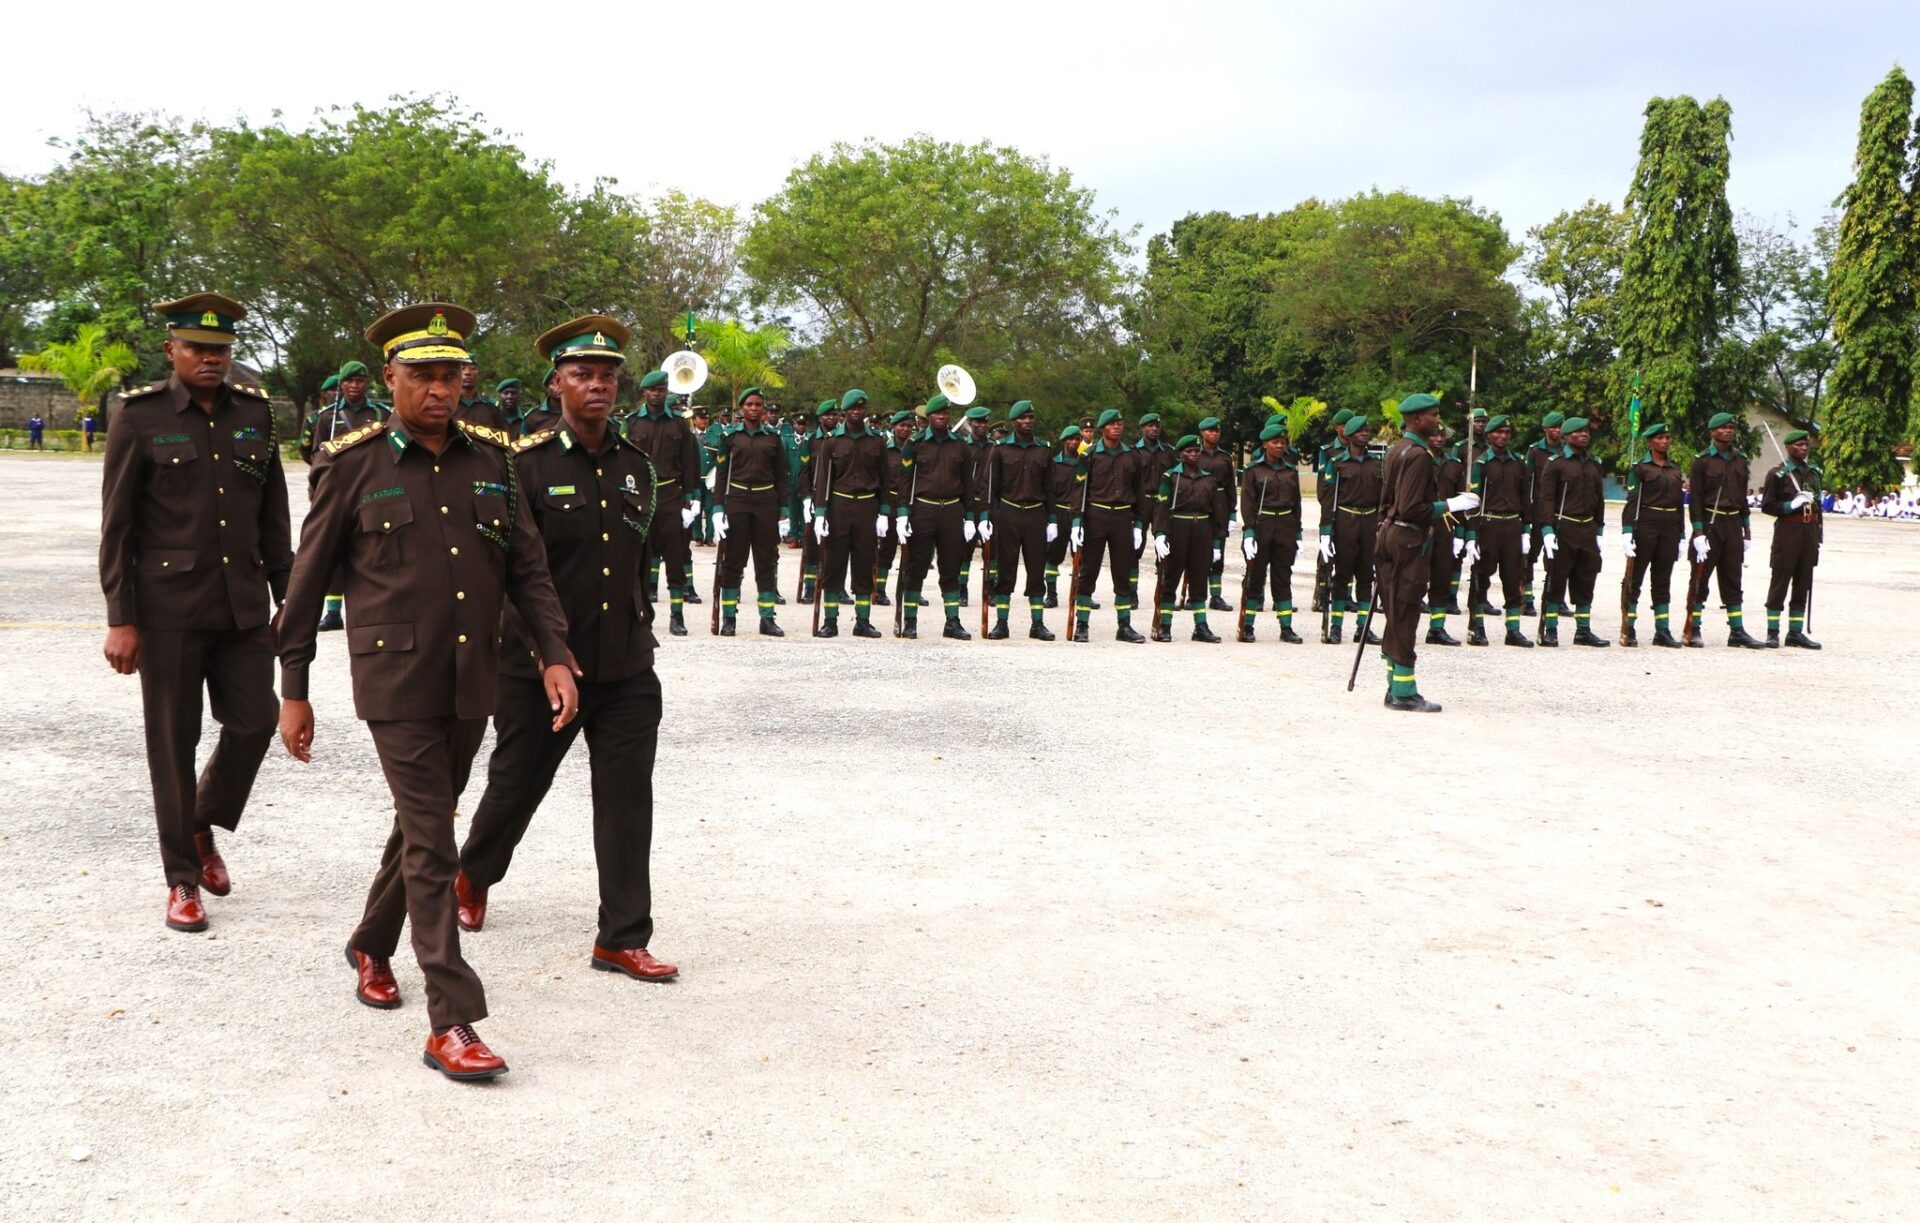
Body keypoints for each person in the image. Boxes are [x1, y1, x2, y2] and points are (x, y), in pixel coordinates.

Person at [276, 301, 577, 1082]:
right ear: (391, 378)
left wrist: (553, 653)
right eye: (423, 375)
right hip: (396, 681)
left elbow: (528, 569)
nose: (439, 389)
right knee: (436, 840)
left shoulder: (493, 460)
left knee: (424, 823)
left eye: (451, 375)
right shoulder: (352, 463)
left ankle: (370, 942)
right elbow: (305, 585)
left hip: (473, 676)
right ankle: (452, 1018)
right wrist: (294, 688)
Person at [454, 313, 677, 984]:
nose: (598, 385)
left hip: (625, 664)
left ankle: (622, 937)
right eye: (583, 374)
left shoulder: (637, 467)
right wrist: (540, 651)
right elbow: (508, 575)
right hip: (538, 666)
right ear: (556, 384)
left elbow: (638, 563)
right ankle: (473, 873)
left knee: (627, 799)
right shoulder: (523, 464)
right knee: (516, 785)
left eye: (607, 375)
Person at [100, 293, 290, 933]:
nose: (210, 358)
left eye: (220, 350)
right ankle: (181, 876)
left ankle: (201, 820)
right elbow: (118, 526)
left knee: (256, 722)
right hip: (168, 611)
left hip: (242, 606)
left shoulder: (256, 415)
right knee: (172, 743)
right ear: (171, 350)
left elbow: (273, 517)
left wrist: (288, 597)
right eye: (197, 348)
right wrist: (121, 617)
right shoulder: (139, 417)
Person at [1374, 393, 1478, 711]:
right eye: (1433, 415)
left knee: (1395, 610)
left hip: (1391, 533)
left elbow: (1387, 501)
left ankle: (1394, 684)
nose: (1437, 420)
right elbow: (1412, 507)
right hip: (1408, 538)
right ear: (1417, 419)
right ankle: (1404, 692)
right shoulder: (1419, 455)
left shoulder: (1397, 450)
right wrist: (1451, 504)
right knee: (1405, 612)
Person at [623, 369, 702, 636]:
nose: (657, 394)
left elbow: (690, 462)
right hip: (640, 496)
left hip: (670, 494)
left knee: (675, 555)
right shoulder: (632, 422)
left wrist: (691, 499)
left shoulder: (679, 424)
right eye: (652, 390)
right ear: (645, 392)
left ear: (666, 391)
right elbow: (622, 461)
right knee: (639, 555)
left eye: (661, 390)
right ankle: (642, 615)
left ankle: (677, 615)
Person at [893, 394, 978, 638]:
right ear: (929, 416)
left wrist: (970, 517)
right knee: (916, 566)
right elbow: (905, 482)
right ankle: (910, 621)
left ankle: (952, 622)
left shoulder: (960, 445)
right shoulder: (915, 443)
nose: (942, 417)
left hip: (952, 510)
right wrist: (902, 514)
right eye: (938, 413)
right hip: (923, 510)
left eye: (945, 413)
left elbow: (968, 484)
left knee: (951, 567)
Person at [711, 387, 793, 635]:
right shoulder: (730, 437)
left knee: (766, 559)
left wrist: (784, 510)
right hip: (737, 499)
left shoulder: (773, 438)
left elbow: (782, 476)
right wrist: (717, 508)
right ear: (742, 409)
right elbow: (721, 475)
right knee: (734, 559)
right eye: (749, 405)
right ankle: (729, 618)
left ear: (763, 409)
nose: (754, 409)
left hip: (766, 500)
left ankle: (767, 618)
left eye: (758, 405)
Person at [810, 389, 889, 638]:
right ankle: (830, 621)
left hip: (867, 507)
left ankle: (862, 621)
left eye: (860, 408)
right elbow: (823, 480)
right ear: (844, 411)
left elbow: (885, 480)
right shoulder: (832, 441)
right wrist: (820, 513)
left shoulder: (877, 441)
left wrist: (884, 512)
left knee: (864, 564)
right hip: (839, 507)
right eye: (852, 408)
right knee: (834, 564)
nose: (857, 412)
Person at [1686, 412, 1765, 648]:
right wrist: (1698, 532)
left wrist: (1746, 528)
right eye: (1723, 427)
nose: (1728, 430)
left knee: (1733, 577)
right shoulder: (1701, 461)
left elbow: (1742, 498)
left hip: (1733, 524)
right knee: (1700, 578)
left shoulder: (1740, 460)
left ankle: (1737, 631)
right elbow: (1695, 500)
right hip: (1710, 522)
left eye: (1731, 427)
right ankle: (1693, 628)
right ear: (1713, 432)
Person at [1068, 409, 1147, 643]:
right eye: (1112, 424)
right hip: (1096, 515)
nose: (1117, 427)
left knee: (1122, 572)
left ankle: (1124, 625)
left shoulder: (1132, 456)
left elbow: (1140, 491)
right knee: (1088, 571)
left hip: (1123, 517)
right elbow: (1079, 490)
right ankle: (1082, 624)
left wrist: (1139, 524)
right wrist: (1076, 522)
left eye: (1120, 424)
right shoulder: (1089, 455)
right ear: (1102, 428)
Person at [982, 400, 1055, 640]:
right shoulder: (1000, 449)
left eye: (1031, 417)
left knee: (1036, 569)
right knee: (1006, 569)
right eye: (1023, 418)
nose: (1027, 421)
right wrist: (987, 517)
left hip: (1036, 514)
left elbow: (1050, 488)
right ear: (1014, 421)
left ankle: (1037, 624)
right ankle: (1001, 623)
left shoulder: (1044, 449)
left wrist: (1053, 520)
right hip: (1008, 514)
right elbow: (990, 487)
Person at [1536, 416, 1610, 647]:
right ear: (1566, 437)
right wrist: (1547, 530)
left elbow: (1599, 499)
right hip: (1563, 527)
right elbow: (1547, 499)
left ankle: (1583, 630)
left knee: (1586, 579)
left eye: (1586, 431)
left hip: (1587, 528)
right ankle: (1550, 629)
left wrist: (1599, 529)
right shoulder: (1555, 463)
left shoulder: (1594, 463)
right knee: (1557, 579)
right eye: (1578, 432)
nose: (1584, 435)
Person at [1462, 415, 1534, 647]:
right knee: (1481, 577)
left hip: (1512, 525)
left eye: (1507, 433)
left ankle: (1513, 630)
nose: (1503, 436)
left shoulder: (1519, 462)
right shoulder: (1481, 464)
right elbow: (1473, 502)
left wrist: (1526, 530)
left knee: (1513, 579)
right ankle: (1477, 627)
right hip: (1488, 525)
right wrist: (1471, 536)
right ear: (1489, 436)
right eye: (1498, 432)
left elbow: (1525, 498)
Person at [1150, 434, 1228, 642]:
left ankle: (1200, 627)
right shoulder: (1170, 477)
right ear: (1181, 454)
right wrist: (1160, 534)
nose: (1193, 454)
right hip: (1178, 528)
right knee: (1170, 578)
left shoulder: (1209, 479)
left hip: (1202, 529)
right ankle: (1164, 625)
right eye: (1188, 451)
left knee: (1199, 578)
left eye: (1196, 451)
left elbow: (1217, 513)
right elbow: (1161, 507)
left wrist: (1217, 542)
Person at [1235, 418, 1303, 642]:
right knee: (1255, 577)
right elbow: (1248, 503)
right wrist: (1249, 532)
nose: (1280, 446)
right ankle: (1247, 625)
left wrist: (1298, 533)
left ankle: (1286, 627)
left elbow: (1297, 503)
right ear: (1265, 444)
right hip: (1262, 524)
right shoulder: (1253, 470)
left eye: (1283, 442)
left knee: (1283, 577)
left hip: (1285, 525)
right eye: (1275, 442)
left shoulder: (1290, 470)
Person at [1619, 421, 1686, 647]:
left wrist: (1681, 534)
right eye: (1659, 438)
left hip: (1669, 527)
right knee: (1634, 579)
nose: (1664, 441)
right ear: (1650, 442)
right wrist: (1627, 531)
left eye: (1667, 438)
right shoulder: (1640, 468)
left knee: (1662, 580)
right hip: (1646, 524)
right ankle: (1629, 626)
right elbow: (1632, 502)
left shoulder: (1675, 468)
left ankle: (1662, 630)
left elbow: (1679, 504)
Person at [1318, 415, 1381, 645]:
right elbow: (1328, 500)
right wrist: (1326, 532)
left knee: (1366, 575)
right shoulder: (1337, 464)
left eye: (1367, 430)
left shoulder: (1376, 463)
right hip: (1346, 520)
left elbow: (1383, 497)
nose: (1365, 434)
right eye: (1360, 431)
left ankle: (1363, 628)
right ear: (1350, 435)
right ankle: (1336, 627)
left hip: (1369, 521)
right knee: (1342, 575)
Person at [1760, 428, 1823, 649]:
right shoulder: (1778, 474)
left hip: (1809, 532)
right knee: (1780, 581)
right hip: (1788, 531)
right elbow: (1767, 506)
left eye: (1806, 445)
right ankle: (1772, 632)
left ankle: (1795, 633)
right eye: (1798, 445)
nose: (1804, 448)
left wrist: (1819, 536)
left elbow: (1818, 507)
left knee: (1803, 581)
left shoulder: (1814, 473)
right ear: (1788, 448)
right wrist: (1791, 505)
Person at [1426, 424, 1465, 646]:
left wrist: (1461, 533)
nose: (1439, 439)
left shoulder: (1454, 465)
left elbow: (1461, 502)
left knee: (1441, 578)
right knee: (1415, 579)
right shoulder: (1419, 460)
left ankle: (1437, 628)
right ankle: (1404, 626)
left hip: (1446, 526)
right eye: (1435, 435)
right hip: (1421, 524)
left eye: (1442, 435)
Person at [1523, 411, 1565, 616]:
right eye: (1553, 427)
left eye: (1559, 427)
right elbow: (1527, 481)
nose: (1557, 430)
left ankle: (1555, 599)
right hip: (1538, 511)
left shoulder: (1567, 450)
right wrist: (1526, 513)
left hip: (1560, 512)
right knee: (1530, 556)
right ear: (1545, 429)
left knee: (1558, 558)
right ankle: (1527, 598)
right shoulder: (1535, 451)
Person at [1193, 417, 1237, 611]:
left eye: (1217, 431)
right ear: (1202, 433)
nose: (1214, 434)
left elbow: (1231, 486)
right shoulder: (1195, 454)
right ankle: (1195, 594)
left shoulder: (1225, 457)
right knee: (1198, 550)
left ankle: (1216, 595)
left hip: (1220, 503)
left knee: (1218, 552)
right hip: (1200, 502)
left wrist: (1233, 512)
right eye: (1210, 431)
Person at [874, 410, 915, 604]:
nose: (906, 429)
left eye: (909, 426)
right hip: (889, 502)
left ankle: (911, 588)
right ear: (893, 427)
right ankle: (879, 589)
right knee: (887, 548)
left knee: (914, 550)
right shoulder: (885, 449)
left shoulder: (917, 448)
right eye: (902, 425)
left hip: (911, 504)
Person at [1044, 425, 1083, 609]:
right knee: (1053, 556)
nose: (1074, 442)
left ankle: (1081, 593)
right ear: (1064, 441)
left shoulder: (1085, 464)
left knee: (1081, 556)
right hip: (1059, 513)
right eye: (1070, 439)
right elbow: (1048, 492)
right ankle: (1051, 594)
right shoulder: (1054, 464)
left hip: (1079, 515)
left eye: (1077, 439)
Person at [455, 362, 512, 432]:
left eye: (473, 368)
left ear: (479, 374)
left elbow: (503, 434)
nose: (468, 373)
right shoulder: (449, 404)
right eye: (463, 368)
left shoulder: (491, 406)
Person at [517, 368, 563, 437]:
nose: (557, 386)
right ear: (547, 388)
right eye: (552, 383)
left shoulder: (577, 411)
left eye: (560, 382)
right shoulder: (533, 416)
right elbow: (523, 442)